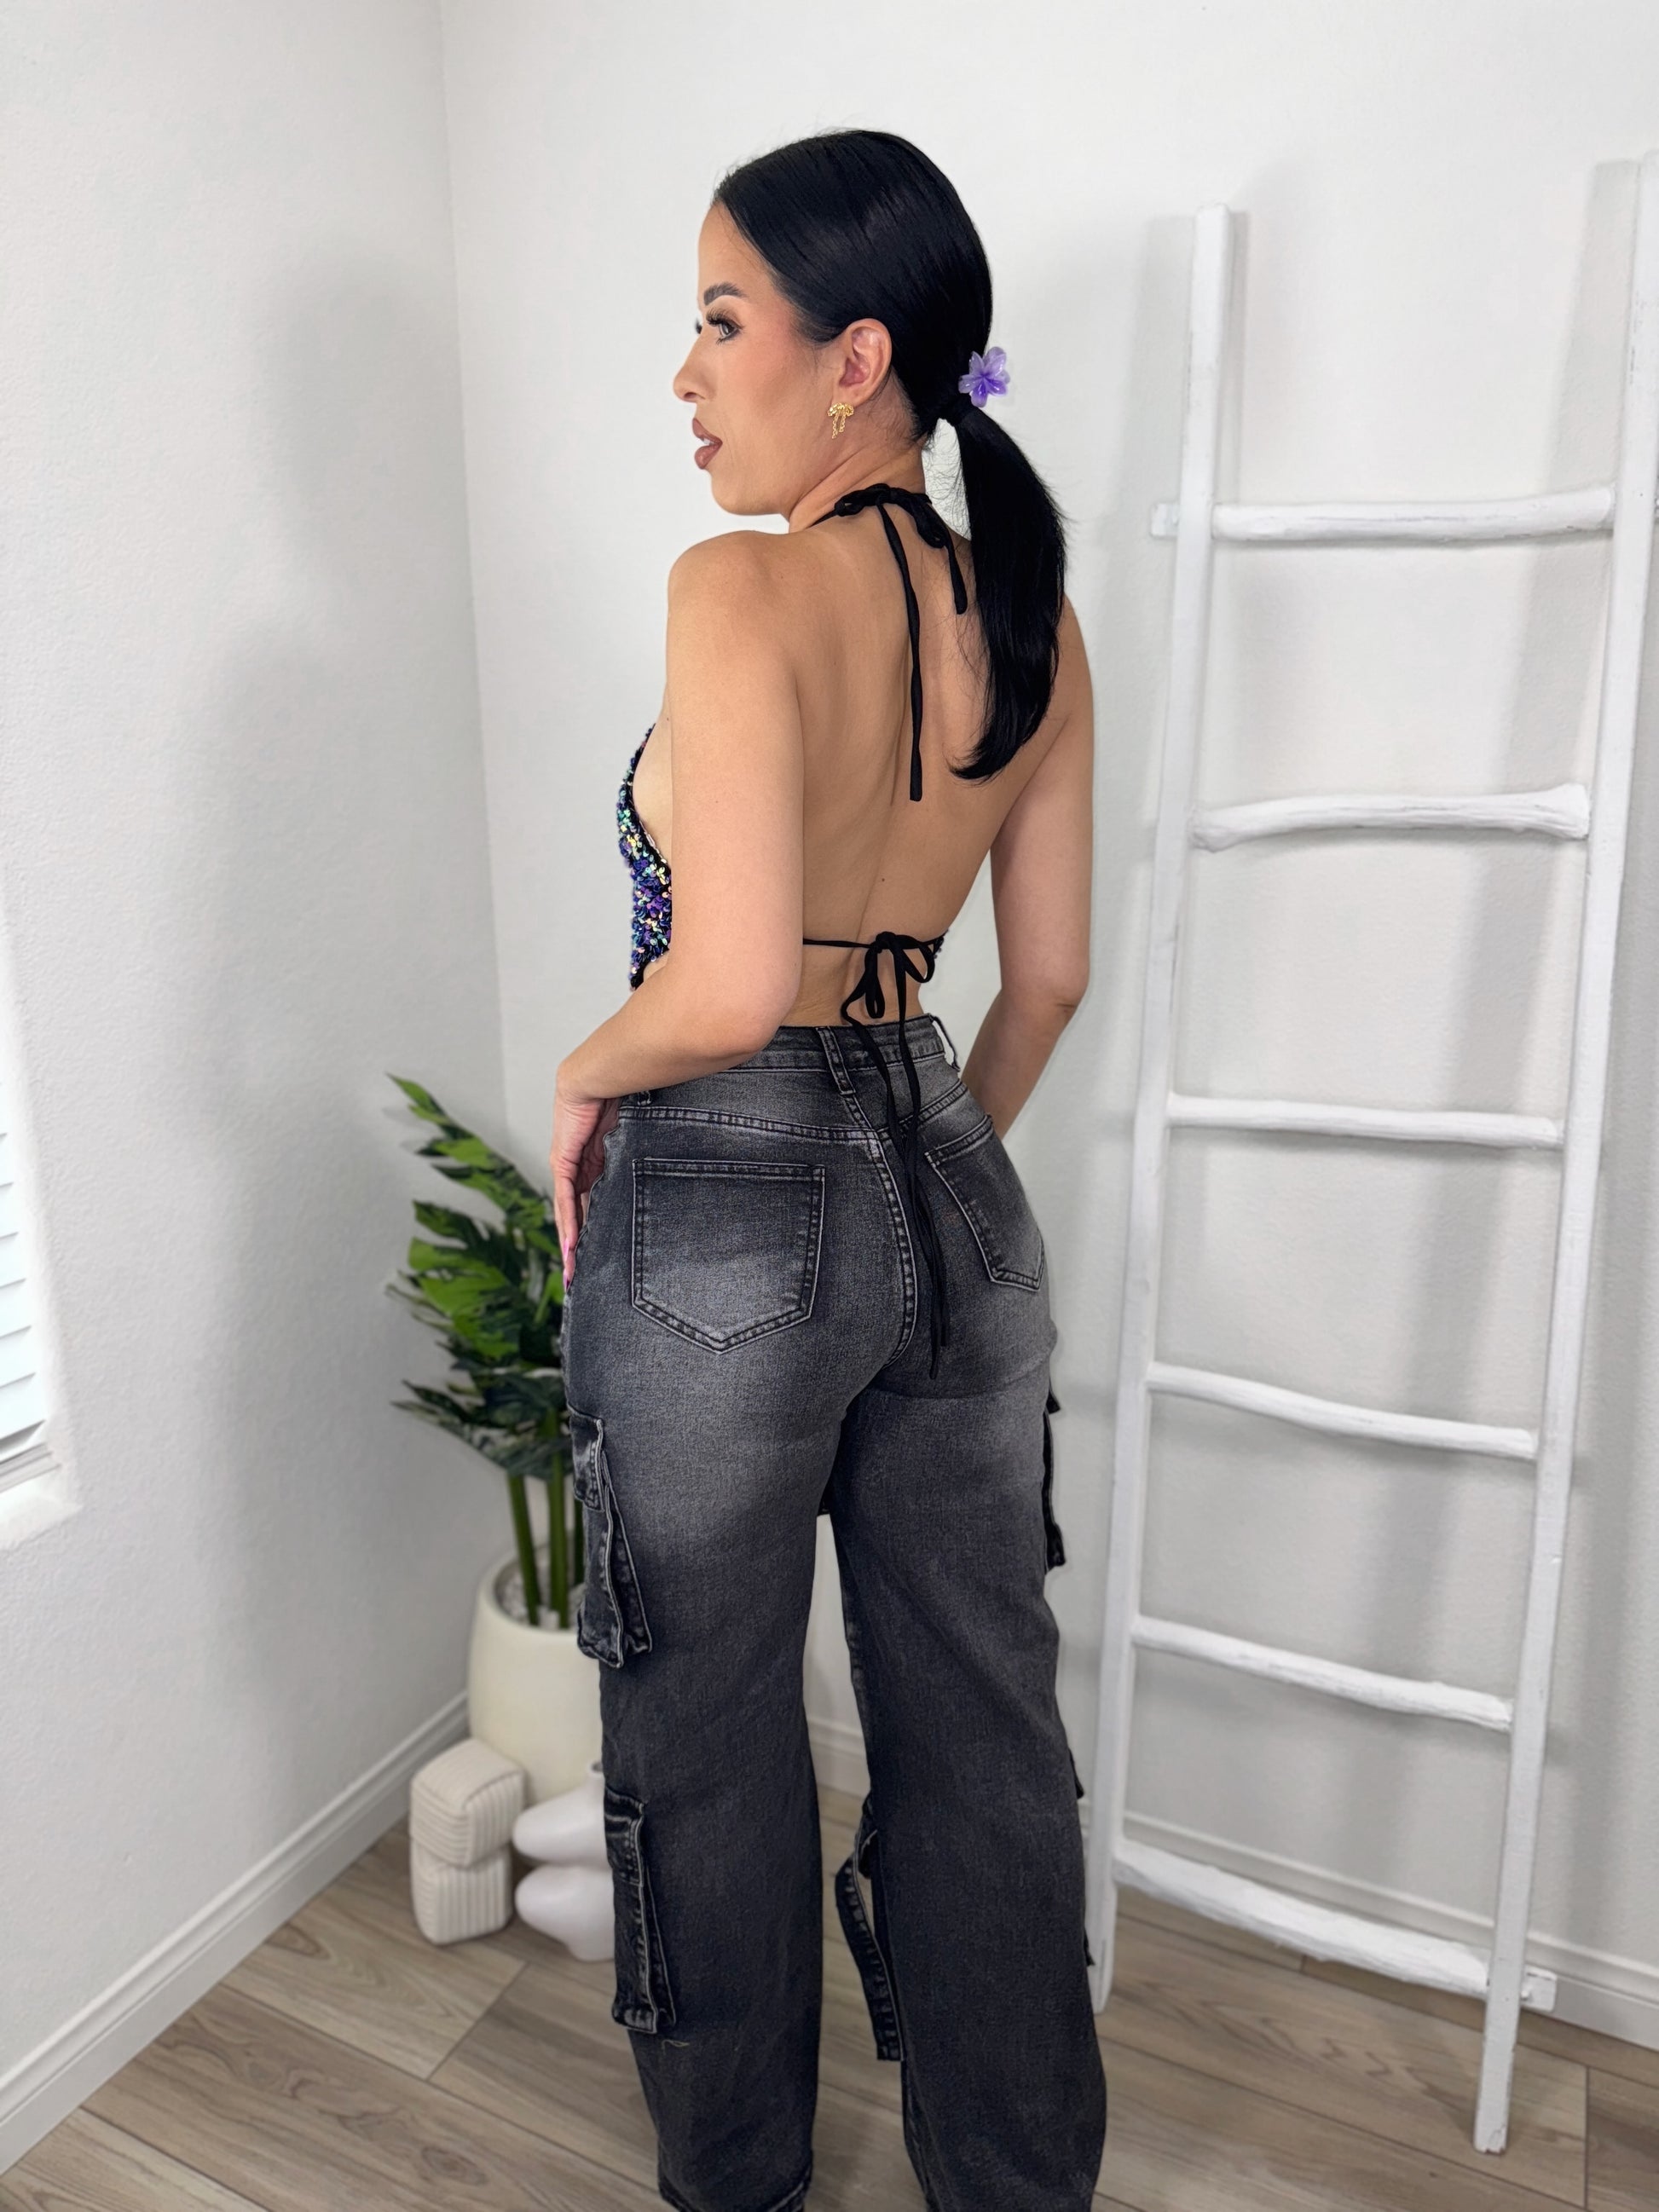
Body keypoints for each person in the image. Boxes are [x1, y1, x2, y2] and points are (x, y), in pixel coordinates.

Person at [549, 126, 1103, 2212]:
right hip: (949, 1168)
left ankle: (741, 2190)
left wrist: (582, 1075)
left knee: (701, 1744)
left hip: (719, 1195)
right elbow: (1045, 981)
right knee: (982, 1732)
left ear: (854, 356)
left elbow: (715, 990)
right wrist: (912, 1185)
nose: (687, 375)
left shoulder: (737, 588)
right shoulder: (1034, 616)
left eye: (720, 322)